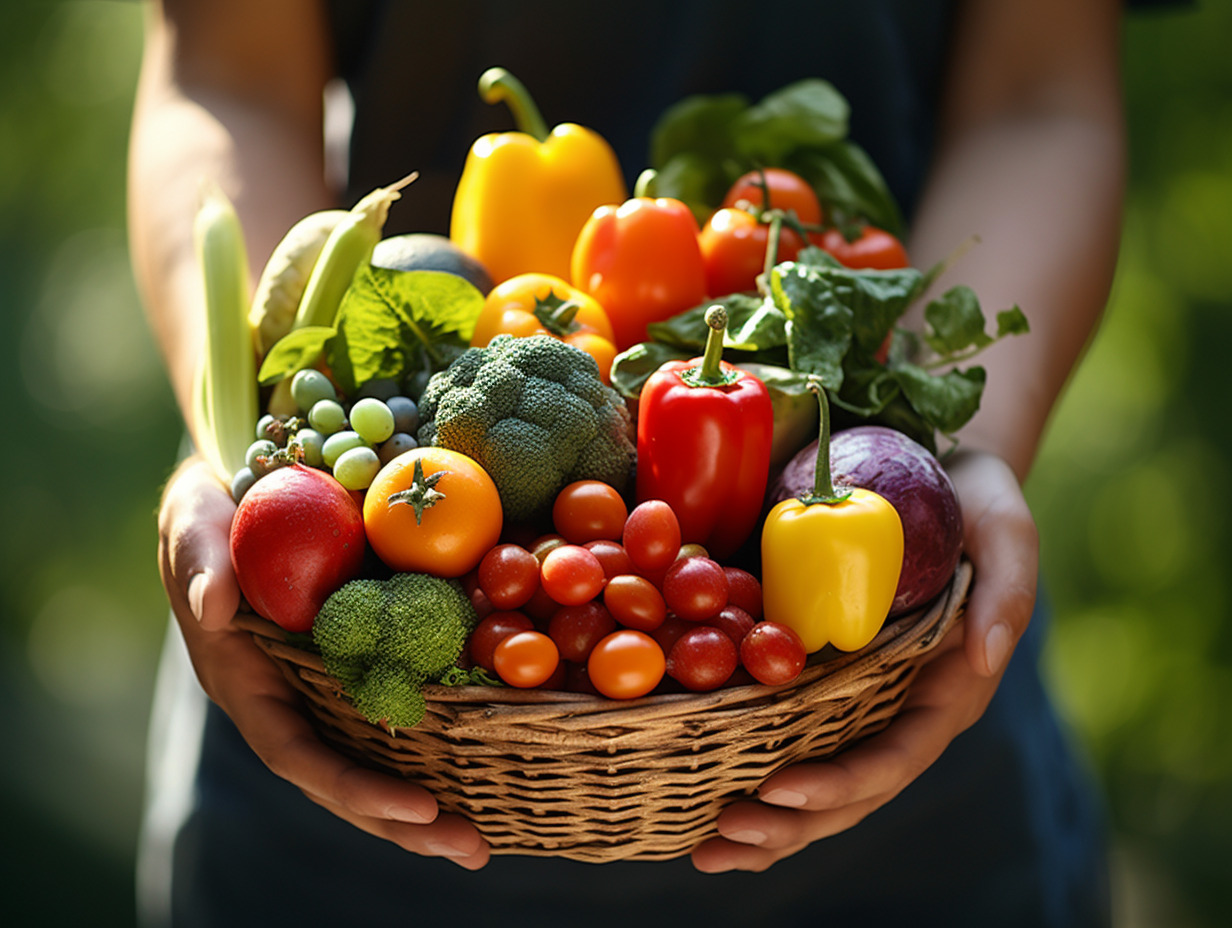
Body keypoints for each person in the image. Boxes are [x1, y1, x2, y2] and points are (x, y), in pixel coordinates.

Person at [130, 0, 1136, 924]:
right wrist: (243, 449)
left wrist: (963, 443)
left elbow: (1036, 98)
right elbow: (226, 78)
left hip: (902, 806)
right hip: (338, 770)